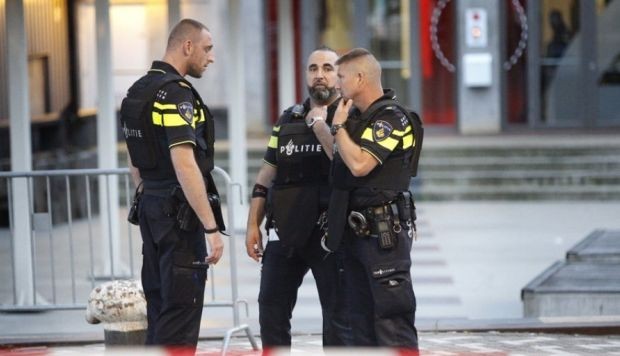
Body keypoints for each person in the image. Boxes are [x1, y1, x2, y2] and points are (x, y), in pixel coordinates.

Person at [119, 19, 224, 350]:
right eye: (207, 48)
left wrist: (148, 190)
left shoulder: (137, 90)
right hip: (177, 214)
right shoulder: (175, 93)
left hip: (151, 204)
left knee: (160, 304)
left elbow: (134, 159)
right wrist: (211, 227)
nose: (211, 57)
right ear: (187, 46)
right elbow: (185, 164)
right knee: (181, 308)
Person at [245, 47, 351, 348]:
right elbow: (266, 175)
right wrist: (253, 223)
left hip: (329, 235)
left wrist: (320, 125)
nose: (320, 75)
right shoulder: (288, 118)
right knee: (271, 310)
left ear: (339, 76)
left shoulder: (349, 116)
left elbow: (346, 164)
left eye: (328, 68)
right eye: (313, 68)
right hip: (286, 231)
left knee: (338, 318)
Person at [326, 48, 422, 349]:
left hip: (383, 237)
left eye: (340, 77)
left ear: (360, 77)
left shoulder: (391, 118)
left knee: (392, 320)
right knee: (360, 322)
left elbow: (359, 164)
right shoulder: (357, 118)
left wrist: (338, 128)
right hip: (355, 234)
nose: (335, 84)